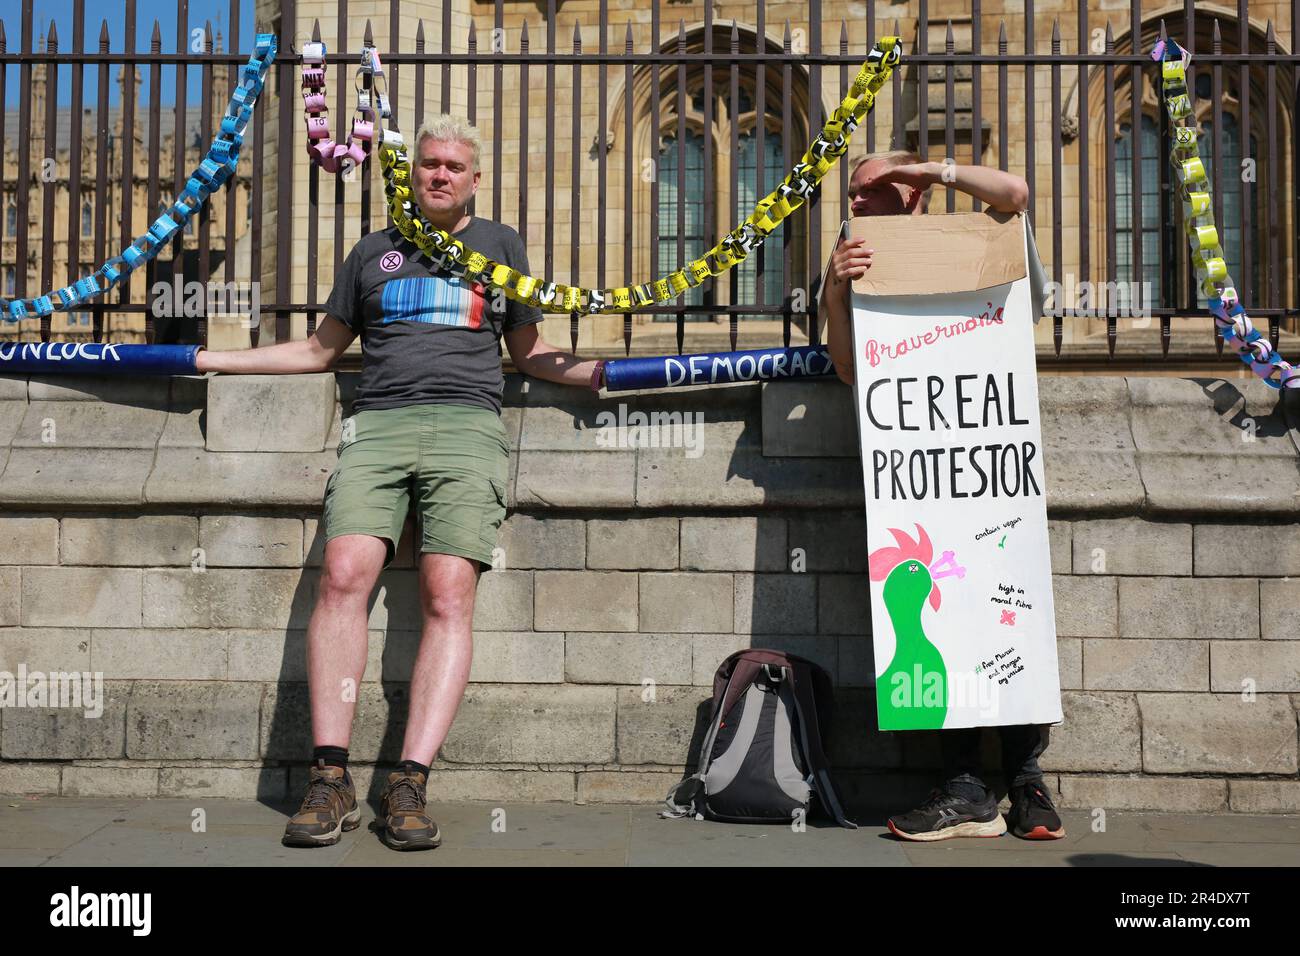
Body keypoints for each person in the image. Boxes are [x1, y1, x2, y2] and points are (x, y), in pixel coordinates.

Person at [196, 114, 609, 851]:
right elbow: (321, 351)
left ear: (475, 178)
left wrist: (605, 375)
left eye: (454, 165)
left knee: (449, 590)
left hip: (467, 427)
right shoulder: (372, 252)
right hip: (379, 425)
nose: (440, 175)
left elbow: (532, 352)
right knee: (344, 574)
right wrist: (217, 362)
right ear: (410, 174)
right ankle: (329, 776)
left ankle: (409, 780)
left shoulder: (499, 246)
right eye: (428, 165)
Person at [820, 150, 1063, 842]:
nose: (858, 204)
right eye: (854, 193)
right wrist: (837, 295)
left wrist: (932, 169)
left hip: (986, 464)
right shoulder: (851, 254)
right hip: (920, 472)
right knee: (930, 620)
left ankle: (1025, 780)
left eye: (874, 191)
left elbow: (1015, 191)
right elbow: (845, 366)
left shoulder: (974, 238)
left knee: (1007, 608)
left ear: (916, 194)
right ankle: (964, 785)